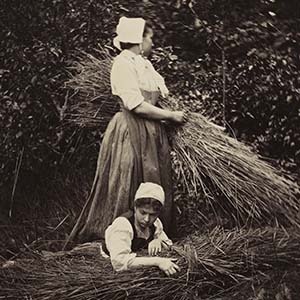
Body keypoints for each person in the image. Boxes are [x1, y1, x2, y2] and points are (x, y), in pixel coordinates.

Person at [66, 16, 187, 245]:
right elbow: (136, 105)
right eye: (150, 38)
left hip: (152, 131)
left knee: (153, 176)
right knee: (129, 177)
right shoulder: (122, 64)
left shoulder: (144, 64)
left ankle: (152, 234)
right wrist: (171, 116)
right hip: (131, 130)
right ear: (139, 40)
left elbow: (159, 96)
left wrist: (170, 113)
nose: (152, 43)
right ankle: (121, 237)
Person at [103, 182, 180, 276]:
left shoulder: (155, 224)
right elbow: (119, 263)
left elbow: (169, 244)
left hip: (137, 256)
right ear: (135, 207)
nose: (147, 219)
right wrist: (157, 262)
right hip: (110, 260)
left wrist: (158, 240)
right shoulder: (123, 225)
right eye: (143, 212)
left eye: (152, 215)